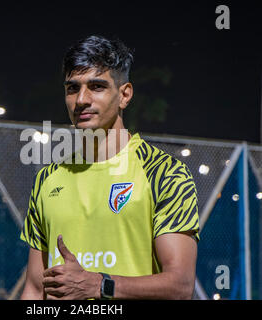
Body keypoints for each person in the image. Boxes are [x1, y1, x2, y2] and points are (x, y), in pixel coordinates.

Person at [20, 35, 199, 300]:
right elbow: (35, 289)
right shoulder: (47, 179)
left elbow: (180, 286)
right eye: (72, 88)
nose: (81, 99)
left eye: (96, 86)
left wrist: (99, 285)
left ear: (124, 95)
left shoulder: (165, 173)